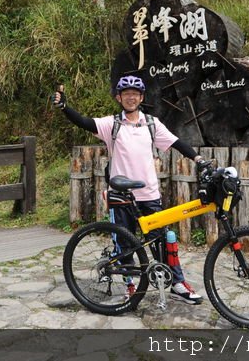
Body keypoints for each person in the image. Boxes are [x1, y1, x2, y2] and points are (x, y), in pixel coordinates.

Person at [53, 75, 209, 304]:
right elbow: (84, 122)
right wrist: (65, 107)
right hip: (120, 195)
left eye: (135, 93)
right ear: (119, 97)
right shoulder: (112, 124)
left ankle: (176, 283)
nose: (131, 97)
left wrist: (198, 158)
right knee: (124, 244)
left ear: (141, 97)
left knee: (162, 242)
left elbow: (177, 143)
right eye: (126, 94)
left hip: (149, 194)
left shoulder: (152, 124)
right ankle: (130, 285)